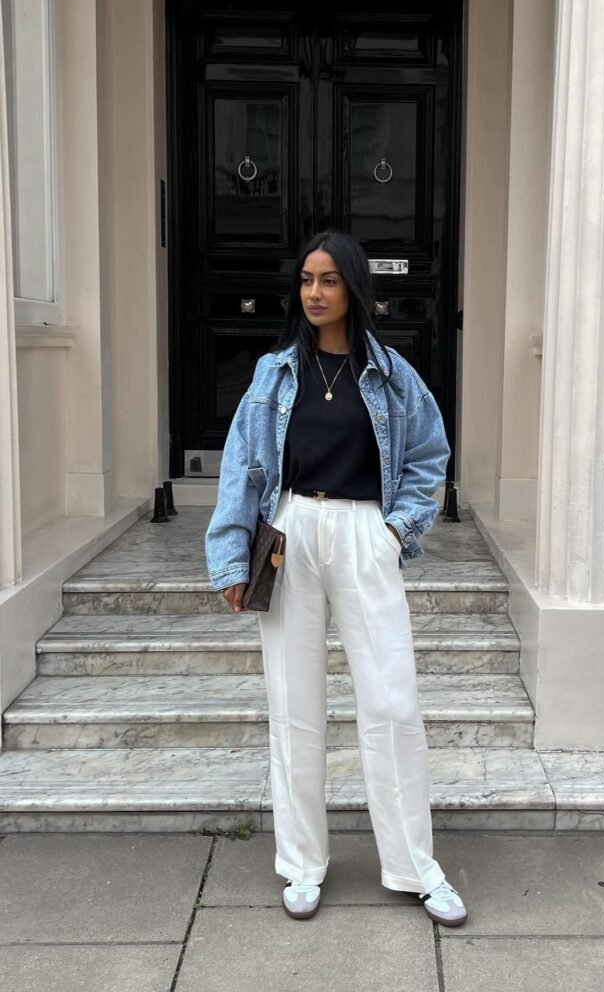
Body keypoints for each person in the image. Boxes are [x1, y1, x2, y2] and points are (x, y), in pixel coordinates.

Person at [205, 231, 467, 927]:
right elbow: (240, 469)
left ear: (354, 288)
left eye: (328, 280)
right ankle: (300, 863)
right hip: (290, 532)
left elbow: (427, 459)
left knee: (391, 704)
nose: (313, 293)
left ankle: (415, 867)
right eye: (305, 281)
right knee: (294, 707)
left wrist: (393, 534)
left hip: (362, 533)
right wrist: (232, 559)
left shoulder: (392, 374)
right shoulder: (273, 374)